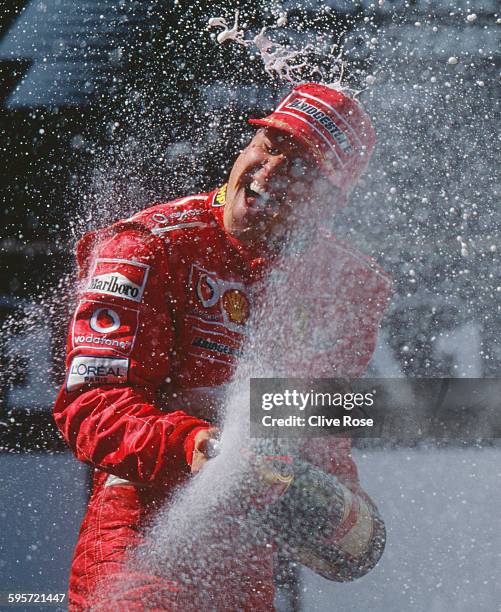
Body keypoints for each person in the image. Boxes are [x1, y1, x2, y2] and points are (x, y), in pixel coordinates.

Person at [53, 82, 393, 611]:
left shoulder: (343, 287)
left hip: (245, 555)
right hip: (137, 538)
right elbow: (91, 403)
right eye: (268, 145)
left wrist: (342, 511)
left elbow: (315, 433)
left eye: (301, 167)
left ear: (328, 204)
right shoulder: (149, 245)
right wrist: (196, 446)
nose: (270, 171)